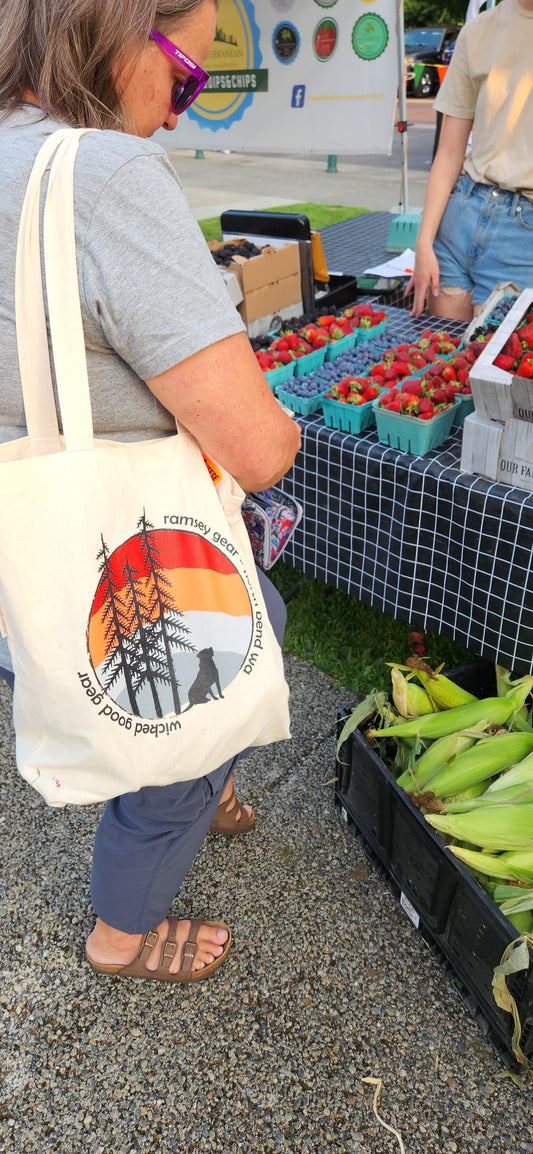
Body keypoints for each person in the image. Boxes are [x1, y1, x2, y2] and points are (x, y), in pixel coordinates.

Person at [0, 0, 301, 983]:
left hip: (30, 536)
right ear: (121, 30)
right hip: (132, 556)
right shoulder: (104, 172)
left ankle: (200, 775)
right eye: (187, 76)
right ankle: (120, 931)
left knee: (143, 659)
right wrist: (280, 423)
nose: (181, 111)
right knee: (205, 672)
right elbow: (257, 451)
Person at [408, 0, 533, 321]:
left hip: (523, 239)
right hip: (460, 215)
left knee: (494, 367)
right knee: (445, 362)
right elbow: (449, 152)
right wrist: (423, 243)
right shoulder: (479, 30)